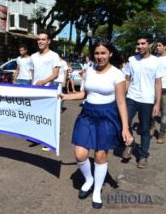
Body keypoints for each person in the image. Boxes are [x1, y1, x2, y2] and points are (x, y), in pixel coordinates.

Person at [60, 40, 133, 209]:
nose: (100, 57)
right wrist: (64, 97)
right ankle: (89, 179)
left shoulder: (117, 74)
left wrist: (125, 128)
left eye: (103, 53)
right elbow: (84, 93)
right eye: (97, 53)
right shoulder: (89, 70)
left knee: (100, 156)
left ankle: (97, 190)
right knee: (80, 154)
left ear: (110, 54)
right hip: (87, 114)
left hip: (107, 115)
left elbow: (121, 102)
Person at [122, 34, 164, 168]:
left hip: (147, 100)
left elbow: (158, 83)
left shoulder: (156, 62)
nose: (139, 46)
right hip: (131, 98)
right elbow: (127, 79)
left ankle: (143, 155)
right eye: (138, 44)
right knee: (125, 122)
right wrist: (123, 96)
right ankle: (129, 145)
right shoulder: (131, 60)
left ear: (150, 45)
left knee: (145, 129)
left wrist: (157, 103)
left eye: (142, 44)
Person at [30, 30, 60, 151]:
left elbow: (56, 74)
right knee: (36, 114)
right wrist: (32, 85)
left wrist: (44, 81)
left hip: (48, 90)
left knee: (47, 116)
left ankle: (48, 141)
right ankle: (38, 136)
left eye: (43, 39)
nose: (40, 41)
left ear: (48, 41)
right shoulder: (33, 56)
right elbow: (32, 73)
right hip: (35, 90)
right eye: (39, 39)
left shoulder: (54, 56)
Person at [155, 39, 166, 144]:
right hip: (154, 88)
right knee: (151, 111)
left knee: (164, 113)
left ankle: (162, 134)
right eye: (157, 45)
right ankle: (151, 127)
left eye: (160, 45)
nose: (157, 47)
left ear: (165, 47)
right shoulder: (154, 59)